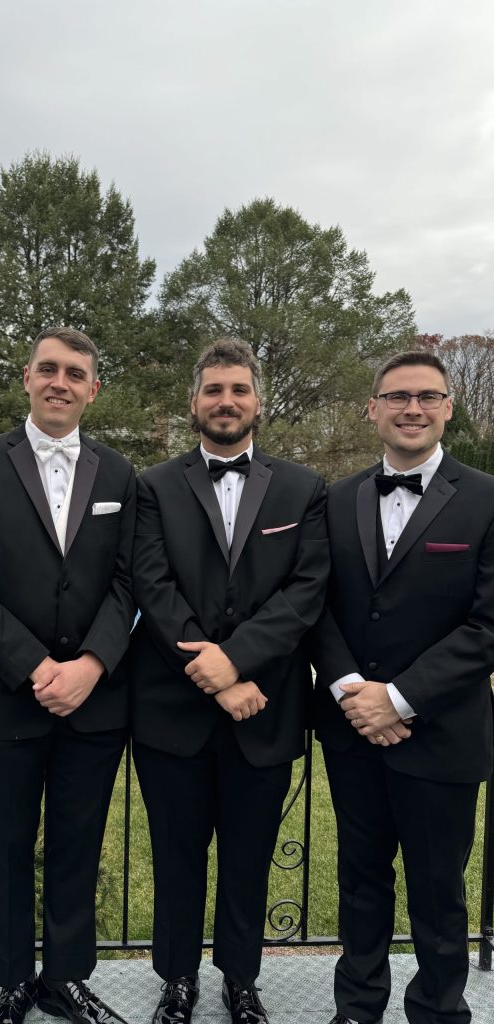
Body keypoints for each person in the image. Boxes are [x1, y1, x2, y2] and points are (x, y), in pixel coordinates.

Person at [0, 327, 136, 1024]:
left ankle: (68, 979)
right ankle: (13, 980)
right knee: (9, 846)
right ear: (26, 378)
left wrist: (89, 664)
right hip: (4, 697)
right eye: (48, 369)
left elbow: (126, 582)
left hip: (95, 699)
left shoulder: (119, 474)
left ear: (93, 388)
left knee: (79, 844)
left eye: (74, 372)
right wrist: (33, 666)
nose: (60, 381)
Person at [130, 338, 329, 1024]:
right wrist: (216, 679)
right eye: (214, 390)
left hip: (264, 712)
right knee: (176, 860)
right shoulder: (151, 486)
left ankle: (241, 981)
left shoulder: (305, 489)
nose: (226, 401)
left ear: (258, 403)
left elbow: (306, 593)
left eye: (238, 389)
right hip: (170, 713)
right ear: (194, 403)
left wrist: (236, 662)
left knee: (248, 862)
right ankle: (176, 981)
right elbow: (153, 588)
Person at [313, 350, 494, 1024]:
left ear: (448, 407)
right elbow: (316, 607)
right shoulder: (334, 500)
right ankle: (356, 1009)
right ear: (373, 408)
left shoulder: (486, 499)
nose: (411, 408)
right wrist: (355, 690)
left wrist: (400, 698)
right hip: (353, 730)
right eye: (397, 397)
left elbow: (487, 625)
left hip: (441, 732)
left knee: (439, 890)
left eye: (426, 396)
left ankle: (438, 1012)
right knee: (360, 883)